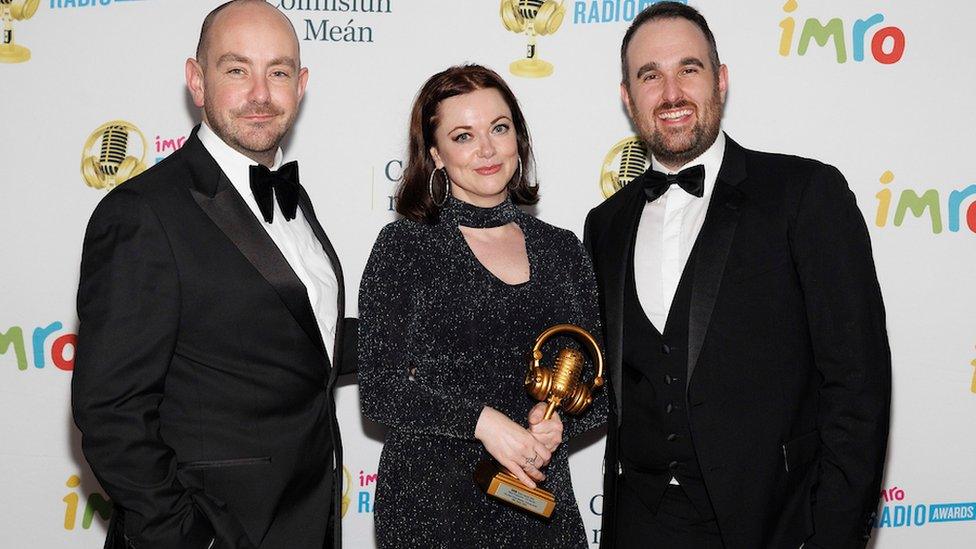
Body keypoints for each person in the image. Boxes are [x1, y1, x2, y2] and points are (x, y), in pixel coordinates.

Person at [585, 3, 891, 548]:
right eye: (650, 75)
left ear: (721, 81)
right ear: (628, 98)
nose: (672, 92)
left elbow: (857, 385)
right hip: (640, 522)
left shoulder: (804, 195)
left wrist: (832, 536)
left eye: (690, 68)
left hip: (771, 523)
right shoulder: (605, 225)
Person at [71, 1, 356, 547]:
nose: (260, 94)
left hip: (305, 524)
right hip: (215, 531)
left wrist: (435, 337)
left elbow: (297, 341)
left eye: (278, 72)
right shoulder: (142, 213)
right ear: (196, 82)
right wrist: (191, 538)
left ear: (301, 84)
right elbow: (110, 412)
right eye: (236, 69)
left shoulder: (294, 200)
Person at [358, 64, 607, 548]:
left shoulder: (562, 249)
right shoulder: (405, 246)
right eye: (463, 136)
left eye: (499, 128)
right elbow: (379, 390)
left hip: (538, 504)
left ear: (519, 136)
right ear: (435, 155)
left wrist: (560, 421)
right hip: (432, 509)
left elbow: (597, 385)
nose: (487, 149)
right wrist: (483, 423)